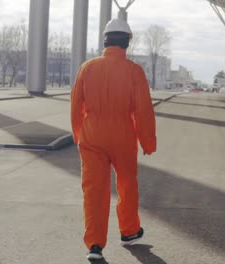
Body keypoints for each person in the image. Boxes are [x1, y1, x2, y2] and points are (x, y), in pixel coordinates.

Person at [71, 18, 157, 261]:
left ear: (105, 41)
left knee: (93, 190)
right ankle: (129, 231)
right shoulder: (134, 71)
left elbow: (76, 104)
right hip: (123, 134)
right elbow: (143, 110)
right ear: (127, 43)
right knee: (127, 183)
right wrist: (147, 141)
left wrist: (79, 133)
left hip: (92, 135)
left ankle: (95, 245)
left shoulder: (87, 68)